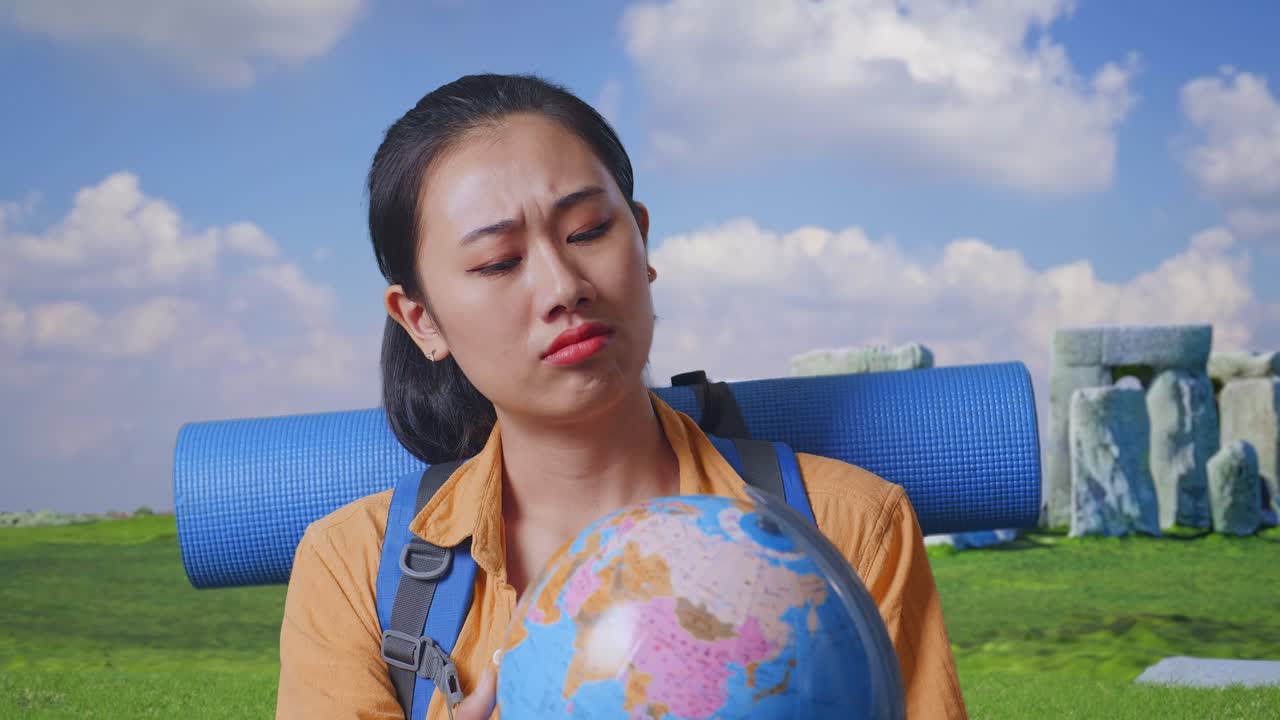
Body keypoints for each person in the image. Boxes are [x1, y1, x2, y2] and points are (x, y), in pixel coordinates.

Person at [275, 73, 968, 720]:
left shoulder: (851, 529)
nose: (562, 286)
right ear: (422, 321)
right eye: (498, 263)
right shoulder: (354, 567)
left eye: (588, 231)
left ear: (641, 238)